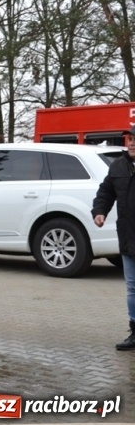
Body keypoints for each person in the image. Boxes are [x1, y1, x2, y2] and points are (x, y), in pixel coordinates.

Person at [92, 126, 135, 351]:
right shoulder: (118, 165)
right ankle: (134, 331)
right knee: (132, 288)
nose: (132, 143)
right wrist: (100, 211)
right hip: (129, 237)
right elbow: (106, 192)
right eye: (131, 138)